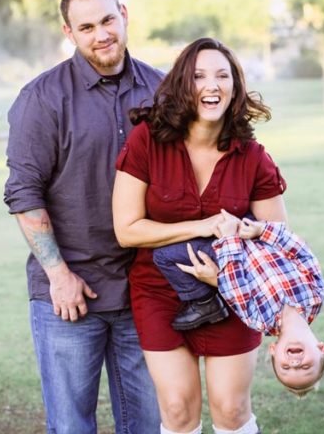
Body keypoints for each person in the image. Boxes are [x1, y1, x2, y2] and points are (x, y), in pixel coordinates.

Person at [3, 0, 163, 434]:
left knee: (149, 424)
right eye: (87, 26)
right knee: (72, 427)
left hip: (145, 290)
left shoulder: (163, 91)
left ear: (125, 15)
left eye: (108, 19)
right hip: (70, 296)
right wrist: (58, 274)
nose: (102, 34)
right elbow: (24, 193)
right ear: (69, 33)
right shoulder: (42, 98)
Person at [113, 37, 287, 434]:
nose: (212, 85)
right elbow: (126, 230)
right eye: (198, 76)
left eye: (222, 75)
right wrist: (203, 226)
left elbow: (277, 241)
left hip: (234, 292)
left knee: (230, 408)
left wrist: (223, 277)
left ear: (235, 87)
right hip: (159, 291)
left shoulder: (253, 157)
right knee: (177, 409)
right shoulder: (147, 141)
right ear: (181, 86)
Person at [169, 209, 324, 397]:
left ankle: (202, 298)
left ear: (273, 350)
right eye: (306, 367)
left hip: (229, 243)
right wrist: (262, 230)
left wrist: (229, 238)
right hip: (253, 228)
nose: (295, 364)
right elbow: (301, 252)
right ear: (321, 348)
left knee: (165, 255)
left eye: (285, 367)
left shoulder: (258, 319)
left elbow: (233, 282)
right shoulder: (316, 295)